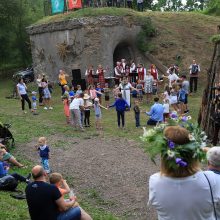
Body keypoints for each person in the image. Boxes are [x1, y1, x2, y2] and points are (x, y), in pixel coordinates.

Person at [148, 126, 220, 220]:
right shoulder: (212, 180)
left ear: (164, 154)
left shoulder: (155, 181)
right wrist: (209, 151)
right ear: (193, 152)